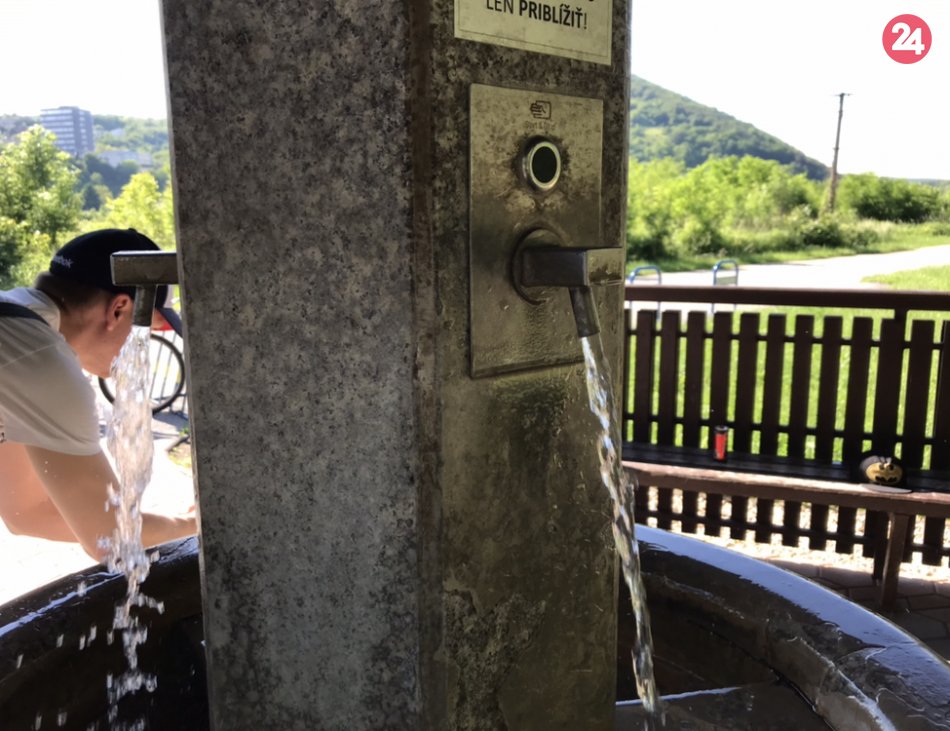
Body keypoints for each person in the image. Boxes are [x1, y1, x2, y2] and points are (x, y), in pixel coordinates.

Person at [0, 228, 196, 560]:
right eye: (147, 331)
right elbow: (110, 538)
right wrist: (195, 524)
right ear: (118, 309)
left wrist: (180, 525)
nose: (143, 349)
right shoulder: (40, 362)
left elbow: (26, 512)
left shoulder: (17, 330)